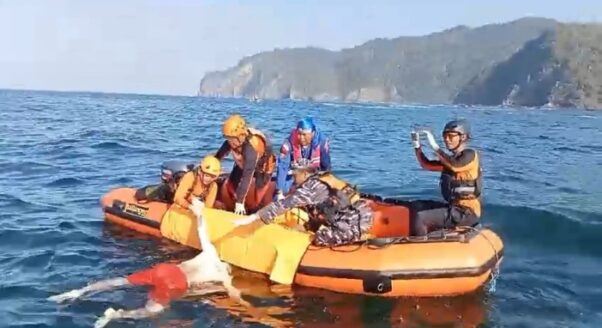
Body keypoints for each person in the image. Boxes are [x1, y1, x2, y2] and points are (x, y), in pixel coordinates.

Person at [48, 198, 249, 328]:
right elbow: (234, 295)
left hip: (166, 269)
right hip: (174, 283)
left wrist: (199, 213)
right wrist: (247, 307)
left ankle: (77, 292)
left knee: (121, 281)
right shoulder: (224, 275)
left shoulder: (211, 252)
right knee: (152, 311)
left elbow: (202, 229)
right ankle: (114, 316)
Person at [232, 158, 373, 246]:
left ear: (305, 174)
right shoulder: (324, 179)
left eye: (295, 175)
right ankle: (357, 233)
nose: (293, 179)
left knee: (320, 238)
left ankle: (355, 237)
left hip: (354, 221)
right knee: (315, 225)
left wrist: (256, 216)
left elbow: (285, 204)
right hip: (361, 214)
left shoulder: (310, 187)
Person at [410, 119, 482, 236]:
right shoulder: (450, 161)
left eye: (451, 136)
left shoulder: (470, 155)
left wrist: (434, 145)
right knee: (416, 206)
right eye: (445, 136)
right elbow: (426, 164)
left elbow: (455, 165)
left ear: (463, 137)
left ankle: (419, 247)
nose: (446, 140)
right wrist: (416, 145)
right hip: (454, 207)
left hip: (467, 213)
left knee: (421, 218)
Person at [215, 114, 276, 215]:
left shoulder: (251, 149)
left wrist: (240, 202)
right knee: (231, 184)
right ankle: (233, 205)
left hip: (262, 167)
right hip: (244, 163)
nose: (230, 142)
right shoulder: (232, 141)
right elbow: (218, 157)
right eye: (227, 138)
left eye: (232, 139)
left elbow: (247, 175)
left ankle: (253, 209)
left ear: (241, 136)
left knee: (257, 196)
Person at [275, 117, 331, 199]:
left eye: (304, 135)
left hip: (314, 175)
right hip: (294, 176)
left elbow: (326, 166)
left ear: (312, 133)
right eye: (299, 134)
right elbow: (282, 166)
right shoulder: (288, 144)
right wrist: (279, 191)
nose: (301, 138)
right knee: (284, 190)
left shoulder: (322, 143)